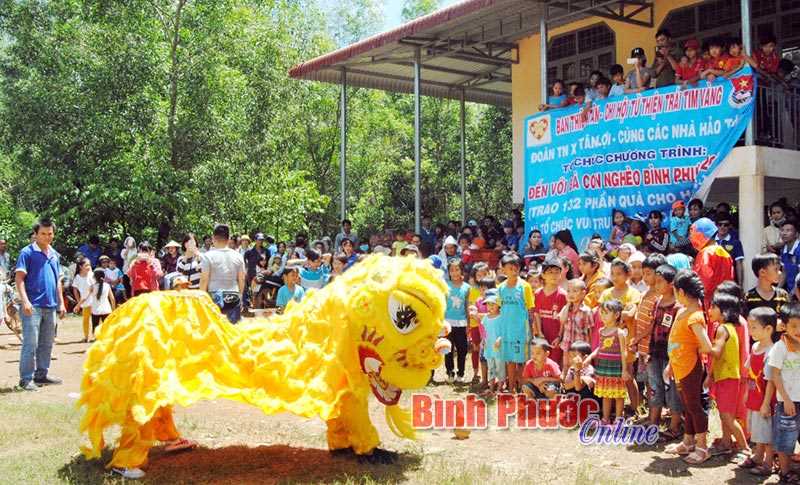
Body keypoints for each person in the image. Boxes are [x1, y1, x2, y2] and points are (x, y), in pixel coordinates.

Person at [664, 270, 713, 464]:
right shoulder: (681, 311)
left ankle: (702, 447)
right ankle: (688, 441)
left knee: (694, 406)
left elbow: (706, 345)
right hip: (678, 367)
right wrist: (670, 364)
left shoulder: (695, 316)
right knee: (687, 406)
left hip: (691, 368)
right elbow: (676, 339)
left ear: (681, 292)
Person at [15, 218, 65, 390]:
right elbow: (19, 279)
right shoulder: (27, 253)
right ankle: (26, 379)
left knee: (46, 342)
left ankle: (41, 375)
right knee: (31, 343)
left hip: (50, 305)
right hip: (32, 306)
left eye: (50, 233)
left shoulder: (54, 254)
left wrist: (61, 303)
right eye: (43, 234)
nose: (47, 237)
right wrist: (25, 301)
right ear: (35, 235)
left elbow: (58, 280)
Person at [707, 292, 749, 456]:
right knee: (726, 414)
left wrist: (702, 344)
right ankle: (727, 443)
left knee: (727, 416)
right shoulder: (731, 327)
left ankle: (744, 448)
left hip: (727, 378)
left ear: (724, 312)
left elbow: (716, 353)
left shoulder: (722, 329)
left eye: (713, 307)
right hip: (728, 377)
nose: (710, 310)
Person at [644, 264, 683, 442]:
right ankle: (653, 422)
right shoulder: (657, 302)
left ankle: (674, 426)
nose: (656, 285)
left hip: (671, 355)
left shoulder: (678, 307)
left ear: (671, 284)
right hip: (655, 351)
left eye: (660, 282)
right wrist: (642, 343)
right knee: (655, 386)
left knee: (672, 390)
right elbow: (652, 326)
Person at [739, 307, 778, 476]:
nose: (751, 331)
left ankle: (768, 463)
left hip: (765, 401)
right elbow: (749, 373)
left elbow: (771, 382)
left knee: (767, 434)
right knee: (757, 430)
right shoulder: (755, 347)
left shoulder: (772, 352)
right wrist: (747, 393)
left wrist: (765, 403)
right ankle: (757, 456)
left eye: (754, 327)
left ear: (768, 329)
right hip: (754, 398)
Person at [599, 258, 641, 414]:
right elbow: (600, 313)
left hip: (626, 340)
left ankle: (636, 408)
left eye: (619, 274)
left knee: (628, 375)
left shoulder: (633, 293)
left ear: (627, 275)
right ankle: (613, 411)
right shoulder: (606, 293)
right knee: (611, 376)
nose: (615, 277)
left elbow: (631, 314)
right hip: (609, 342)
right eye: (612, 273)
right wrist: (618, 314)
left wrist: (612, 314)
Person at [766, 302, 800, 482]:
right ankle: (785, 472)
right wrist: (786, 399)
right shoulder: (780, 347)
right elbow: (775, 375)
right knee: (785, 438)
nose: (798, 330)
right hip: (787, 401)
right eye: (794, 326)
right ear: (784, 326)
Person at [585, 299, 628, 424]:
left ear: (616, 315)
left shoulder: (619, 333)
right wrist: (590, 357)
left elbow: (623, 352)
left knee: (618, 395)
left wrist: (624, 370)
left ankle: (619, 419)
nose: (602, 315)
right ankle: (605, 418)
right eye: (601, 312)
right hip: (603, 367)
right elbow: (600, 348)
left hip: (616, 368)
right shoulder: (601, 331)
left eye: (606, 313)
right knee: (606, 394)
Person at [496, 254, 535, 393]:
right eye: (510, 268)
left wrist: (532, 330)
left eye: (516, 267)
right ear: (503, 270)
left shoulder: (525, 286)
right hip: (506, 331)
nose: (513, 271)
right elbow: (498, 309)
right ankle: (511, 388)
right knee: (510, 361)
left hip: (521, 331)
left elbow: (531, 309)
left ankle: (523, 389)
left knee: (522, 361)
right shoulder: (500, 288)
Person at [200, 224, 245, 324]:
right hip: (234, 296)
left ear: (213, 238)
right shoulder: (238, 256)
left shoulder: (207, 256)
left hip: (214, 297)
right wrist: (241, 297)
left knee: (216, 331)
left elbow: (204, 280)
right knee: (233, 331)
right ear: (228, 238)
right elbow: (241, 279)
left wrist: (201, 298)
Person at [690, 218, 734, 317]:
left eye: (694, 234)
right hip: (724, 301)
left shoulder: (706, 253)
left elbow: (703, 281)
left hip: (708, 304)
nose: (692, 238)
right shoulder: (725, 253)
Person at [534, 258, 567, 364]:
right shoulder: (538, 293)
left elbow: (564, 319)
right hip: (543, 335)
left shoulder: (563, 295)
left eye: (557, 272)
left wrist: (559, 336)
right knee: (541, 361)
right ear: (543, 275)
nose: (554, 275)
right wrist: (539, 332)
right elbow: (537, 314)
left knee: (555, 362)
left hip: (556, 336)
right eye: (550, 272)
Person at [556, 279, 592, 377]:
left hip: (580, 346)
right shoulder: (566, 308)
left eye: (575, 291)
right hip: (567, 344)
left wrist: (590, 348)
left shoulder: (586, 311)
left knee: (580, 367)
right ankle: (566, 388)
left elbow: (590, 331)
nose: (571, 294)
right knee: (566, 366)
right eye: (568, 291)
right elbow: (562, 320)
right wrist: (567, 304)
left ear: (583, 293)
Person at [444, 259, 471, 384]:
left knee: (462, 350)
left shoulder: (466, 287)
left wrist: (468, 324)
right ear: (449, 272)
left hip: (461, 323)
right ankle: (450, 372)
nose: (454, 273)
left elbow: (466, 306)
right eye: (452, 270)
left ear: (462, 271)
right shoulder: (445, 285)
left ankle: (461, 373)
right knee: (448, 349)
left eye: (457, 269)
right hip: (447, 324)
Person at [482, 292, 505, 393]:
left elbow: (505, 331)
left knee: (500, 367)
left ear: (498, 305)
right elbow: (483, 331)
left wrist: (500, 339)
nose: (490, 307)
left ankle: (500, 388)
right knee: (491, 366)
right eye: (488, 304)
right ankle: (491, 387)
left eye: (492, 304)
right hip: (488, 347)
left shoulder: (502, 317)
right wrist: (483, 341)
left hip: (499, 347)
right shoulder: (485, 318)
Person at [563, 341, 598, 406]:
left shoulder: (590, 369)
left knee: (585, 389)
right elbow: (566, 386)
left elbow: (578, 387)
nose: (571, 359)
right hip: (577, 396)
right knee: (568, 391)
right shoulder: (571, 369)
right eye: (570, 356)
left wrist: (577, 372)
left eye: (574, 356)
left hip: (589, 399)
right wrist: (580, 377)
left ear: (585, 358)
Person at [714, 214, 745, 285]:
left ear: (730, 226)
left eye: (726, 225)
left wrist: (740, 285)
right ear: (716, 225)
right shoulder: (710, 241)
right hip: (713, 281)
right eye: (720, 224)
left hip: (729, 282)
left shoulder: (736, 242)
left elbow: (739, 264)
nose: (723, 227)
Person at [85, 268, 115, 337]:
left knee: (95, 327)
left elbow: (86, 297)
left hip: (95, 310)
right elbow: (112, 299)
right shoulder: (107, 286)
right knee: (107, 328)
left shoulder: (92, 287)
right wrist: (113, 309)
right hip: (107, 309)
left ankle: (96, 338)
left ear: (95, 277)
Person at [243, 233, 268, 313]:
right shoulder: (249, 252)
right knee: (253, 293)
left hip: (263, 275)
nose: (260, 241)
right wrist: (246, 272)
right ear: (255, 240)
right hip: (252, 275)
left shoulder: (266, 251)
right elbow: (245, 263)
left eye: (262, 240)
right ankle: (254, 310)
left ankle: (262, 309)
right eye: (259, 239)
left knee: (262, 293)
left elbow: (269, 263)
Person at [780, 220, 800, 293]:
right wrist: (777, 289)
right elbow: (784, 272)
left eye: (788, 230)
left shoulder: (799, 250)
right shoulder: (783, 250)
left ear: (796, 234)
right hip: (791, 291)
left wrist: (792, 293)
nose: (784, 233)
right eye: (782, 230)